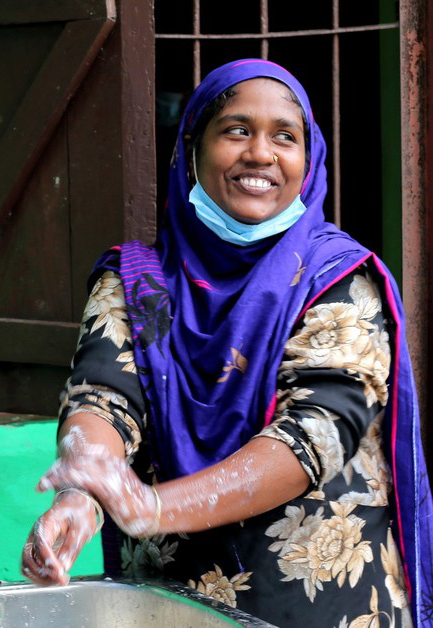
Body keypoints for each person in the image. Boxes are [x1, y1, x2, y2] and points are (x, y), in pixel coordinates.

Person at [22, 59, 433, 627]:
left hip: (321, 605)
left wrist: (152, 506)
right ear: (193, 148)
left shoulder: (337, 279)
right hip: (171, 606)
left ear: (308, 161)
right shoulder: (142, 284)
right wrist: (85, 487)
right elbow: (104, 400)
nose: (261, 154)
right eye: (237, 130)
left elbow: (314, 434)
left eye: (285, 137)